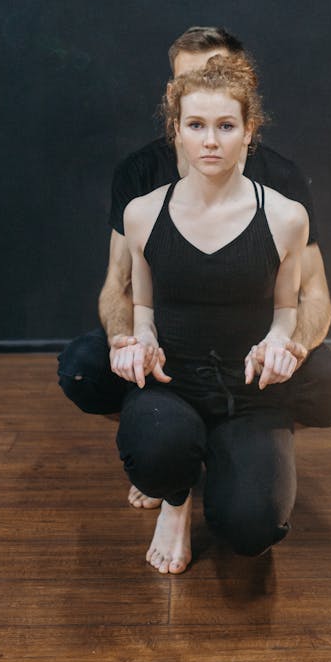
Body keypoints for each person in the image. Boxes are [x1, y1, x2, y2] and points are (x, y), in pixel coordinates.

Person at [57, 27, 331, 512]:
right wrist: (129, 340)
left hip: (250, 344)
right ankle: (172, 453)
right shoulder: (142, 181)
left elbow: (312, 293)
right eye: (192, 94)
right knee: (83, 368)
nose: (208, 89)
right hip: (172, 339)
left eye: (221, 81)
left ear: (245, 104)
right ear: (174, 106)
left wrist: (289, 345)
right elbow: (120, 284)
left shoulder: (281, 185)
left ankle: (248, 451)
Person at [117, 55, 309, 572]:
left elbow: (287, 308)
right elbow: (142, 303)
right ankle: (176, 501)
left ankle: (236, 466)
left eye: (226, 126)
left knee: (252, 532)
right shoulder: (143, 212)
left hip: (248, 395)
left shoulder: (287, 216)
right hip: (172, 383)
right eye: (196, 125)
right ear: (175, 131)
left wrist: (277, 340)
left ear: (249, 132)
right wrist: (141, 338)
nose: (210, 141)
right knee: (157, 450)